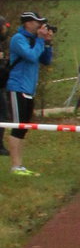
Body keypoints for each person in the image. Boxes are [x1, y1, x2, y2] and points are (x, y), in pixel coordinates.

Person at [5, 12, 53, 176]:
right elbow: (31, 56)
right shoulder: (18, 39)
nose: (40, 25)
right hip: (17, 87)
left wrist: (47, 43)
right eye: (37, 22)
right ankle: (15, 166)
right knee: (17, 127)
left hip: (29, 89)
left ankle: (20, 165)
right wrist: (39, 39)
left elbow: (46, 60)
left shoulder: (35, 40)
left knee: (24, 128)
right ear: (28, 23)